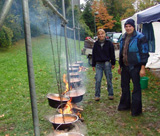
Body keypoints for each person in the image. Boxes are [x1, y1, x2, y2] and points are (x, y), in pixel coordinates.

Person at [117, 19, 149, 116]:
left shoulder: (140, 37)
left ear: (133, 27)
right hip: (125, 67)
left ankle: (136, 110)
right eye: (126, 26)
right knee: (125, 87)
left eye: (129, 26)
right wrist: (120, 65)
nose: (128, 28)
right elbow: (122, 52)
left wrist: (142, 67)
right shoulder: (123, 37)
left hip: (136, 67)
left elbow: (144, 53)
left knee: (136, 88)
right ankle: (125, 105)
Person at [92, 29, 115, 101]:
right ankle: (97, 95)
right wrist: (93, 64)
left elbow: (112, 54)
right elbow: (94, 55)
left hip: (107, 63)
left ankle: (110, 94)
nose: (101, 35)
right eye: (99, 34)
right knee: (98, 80)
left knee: (109, 79)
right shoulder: (96, 44)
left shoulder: (109, 43)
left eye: (102, 34)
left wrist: (113, 63)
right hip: (98, 64)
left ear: (105, 35)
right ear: (97, 35)